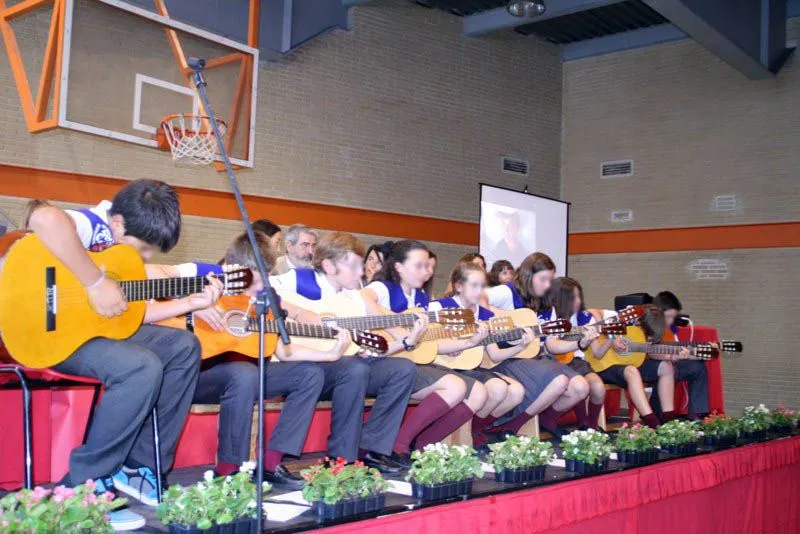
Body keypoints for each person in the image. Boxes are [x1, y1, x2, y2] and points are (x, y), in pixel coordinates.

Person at [27, 180, 221, 530]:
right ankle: (83, 485)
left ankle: (138, 468)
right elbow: (43, 218)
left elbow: (130, 312)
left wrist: (190, 303)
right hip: (45, 333)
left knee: (183, 346)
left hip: (93, 333)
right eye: (144, 248)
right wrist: (93, 282)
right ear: (117, 224)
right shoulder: (94, 226)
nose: (144, 258)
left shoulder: (122, 253)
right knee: (140, 366)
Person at [190, 231, 352, 489]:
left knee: (310, 374)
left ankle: (270, 460)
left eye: (264, 281)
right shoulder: (206, 284)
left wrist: (330, 355)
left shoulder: (265, 299)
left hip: (251, 375)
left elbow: (282, 350)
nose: (259, 289)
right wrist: (194, 305)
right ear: (236, 270)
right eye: (254, 282)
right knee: (244, 373)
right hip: (206, 375)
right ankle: (229, 470)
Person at [270, 232, 422, 473]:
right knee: (354, 368)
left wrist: (406, 340)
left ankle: (371, 448)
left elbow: (373, 343)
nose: (361, 272)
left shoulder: (355, 298)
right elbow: (261, 293)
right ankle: (343, 457)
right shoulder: (299, 279)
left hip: (343, 367)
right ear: (329, 265)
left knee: (401, 369)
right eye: (354, 266)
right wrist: (303, 314)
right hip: (301, 366)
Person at [363, 241, 490, 457]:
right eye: (420, 266)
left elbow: (430, 342)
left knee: (478, 392)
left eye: (428, 266)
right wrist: (396, 329)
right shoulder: (382, 288)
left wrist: (470, 342)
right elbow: (362, 301)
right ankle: (400, 444)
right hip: (379, 361)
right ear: (399, 267)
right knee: (455, 387)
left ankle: (422, 444)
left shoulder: (420, 297)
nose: (427, 271)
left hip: (411, 363)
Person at [482, 252, 591, 439]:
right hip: (508, 357)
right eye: (543, 279)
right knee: (559, 381)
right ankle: (512, 426)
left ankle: (542, 420)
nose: (548, 285)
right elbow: (478, 298)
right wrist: (503, 320)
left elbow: (552, 345)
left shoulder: (548, 304)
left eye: (550, 280)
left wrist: (580, 343)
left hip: (536, 357)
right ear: (528, 275)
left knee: (581, 387)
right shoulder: (507, 292)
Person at [428, 262, 527, 448]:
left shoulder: (486, 316)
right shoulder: (438, 307)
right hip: (440, 365)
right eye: (474, 285)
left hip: (469, 367)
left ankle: (475, 430)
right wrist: (456, 344)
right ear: (458, 286)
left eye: (482, 286)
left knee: (516, 392)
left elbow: (495, 356)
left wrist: (521, 344)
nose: (479, 290)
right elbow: (428, 343)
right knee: (497, 388)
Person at [595, 305, 679, 428]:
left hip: (632, 363)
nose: (646, 336)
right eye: (645, 333)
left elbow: (649, 350)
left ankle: (668, 420)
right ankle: (651, 422)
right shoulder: (623, 316)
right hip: (607, 364)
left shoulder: (652, 328)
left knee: (666, 366)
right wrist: (611, 339)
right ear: (638, 321)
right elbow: (594, 312)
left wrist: (670, 357)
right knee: (632, 371)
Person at [540, 277, 607, 430]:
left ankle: (591, 426)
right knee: (579, 385)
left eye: (579, 296)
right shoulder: (548, 315)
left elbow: (595, 351)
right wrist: (577, 343)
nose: (578, 301)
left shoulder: (584, 318)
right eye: (573, 297)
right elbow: (549, 346)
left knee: (597, 386)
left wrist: (608, 337)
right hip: (551, 361)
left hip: (576, 361)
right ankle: (578, 422)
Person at [651, 291, 710, 419]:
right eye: (668, 317)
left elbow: (677, 349)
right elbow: (650, 351)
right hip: (652, 367)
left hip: (671, 364)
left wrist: (693, 354)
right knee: (664, 368)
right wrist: (671, 357)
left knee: (697, 367)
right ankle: (658, 414)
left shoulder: (671, 329)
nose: (671, 321)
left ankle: (696, 415)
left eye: (673, 317)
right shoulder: (647, 325)